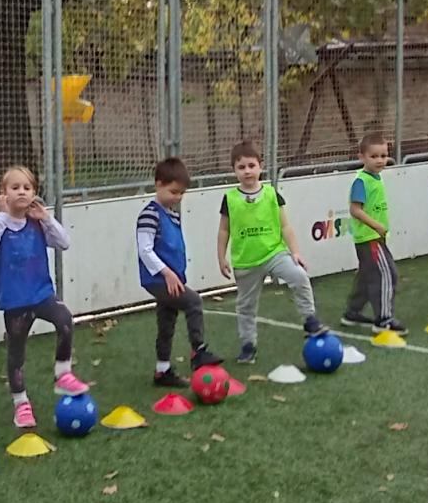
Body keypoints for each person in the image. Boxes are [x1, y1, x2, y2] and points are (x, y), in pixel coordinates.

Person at [0, 164, 81, 431]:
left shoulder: (37, 223)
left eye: (27, 187)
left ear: (34, 193)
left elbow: (64, 242)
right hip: (15, 300)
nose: (21, 192)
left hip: (41, 294)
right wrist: (3, 216)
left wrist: (46, 217)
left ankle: (63, 374)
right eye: (15, 187)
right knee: (17, 352)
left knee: (65, 320)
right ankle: (21, 404)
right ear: (4, 193)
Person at [216, 139, 324, 361]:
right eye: (241, 167)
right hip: (246, 261)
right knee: (246, 306)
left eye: (251, 165)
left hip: (274, 253)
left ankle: (310, 320)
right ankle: (248, 345)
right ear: (234, 170)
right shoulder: (230, 199)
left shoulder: (272, 194)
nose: (247, 171)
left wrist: (295, 252)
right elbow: (224, 231)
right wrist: (221, 258)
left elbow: (285, 226)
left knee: (299, 276)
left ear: (261, 166)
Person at [136, 155, 221, 390]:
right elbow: (145, 250)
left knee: (167, 321)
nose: (178, 197)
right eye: (173, 192)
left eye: (182, 193)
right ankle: (198, 351)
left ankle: (162, 370)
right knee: (193, 302)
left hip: (170, 279)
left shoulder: (172, 214)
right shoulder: (150, 214)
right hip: (157, 279)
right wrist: (167, 273)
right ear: (158, 184)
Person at [343, 136, 400, 331]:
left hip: (374, 238)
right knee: (387, 274)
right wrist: (376, 226)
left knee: (367, 276)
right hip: (370, 238)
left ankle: (352, 312)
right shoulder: (361, 181)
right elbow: (355, 210)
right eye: (374, 156)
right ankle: (384, 319)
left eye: (383, 156)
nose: (380, 160)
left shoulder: (376, 178)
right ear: (362, 157)